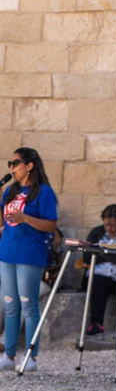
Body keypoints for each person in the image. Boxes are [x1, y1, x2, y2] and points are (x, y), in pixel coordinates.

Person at [0, 147, 57, 372]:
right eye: (10, 164)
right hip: (7, 254)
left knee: (28, 306)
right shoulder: (10, 191)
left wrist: (25, 218)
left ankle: (31, 356)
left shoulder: (44, 192)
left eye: (15, 163)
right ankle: (9, 355)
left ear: (29, 166)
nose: (11, 168)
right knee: (10, 305)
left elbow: (50, 225)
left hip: (29, 255)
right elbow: (5, 223)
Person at [82, 204, 116, 336]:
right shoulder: (96, 233)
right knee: (98, 283)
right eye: (106, 225)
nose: (109, 228)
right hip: (99, 274)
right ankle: (96, 323)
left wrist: (101, 253)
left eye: (112, 225)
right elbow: (88, 256)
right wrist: (111, 255)